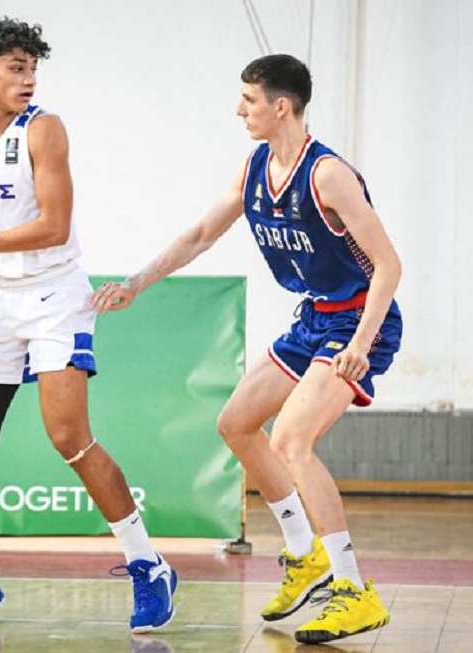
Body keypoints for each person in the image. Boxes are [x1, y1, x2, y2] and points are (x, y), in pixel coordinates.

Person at [92, 53, 401, 644]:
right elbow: (201, 235)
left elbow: (389, 264)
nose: (239, 109)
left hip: (361, 320)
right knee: (235, 423)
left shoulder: (327, 175)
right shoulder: (256, 167)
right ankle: (304, 555)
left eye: (249, 99)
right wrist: (136, 283)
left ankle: (354, 590)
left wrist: (361, 344)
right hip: (315, 318)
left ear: (281, 106)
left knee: (292, 440)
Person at [0, 16, 177, 632]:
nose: (28, 79)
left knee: (68, 438)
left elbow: (54, 226)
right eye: (16, 68)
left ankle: (149, 565)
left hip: (55, 294)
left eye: (33, 68)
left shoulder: (44, 130)